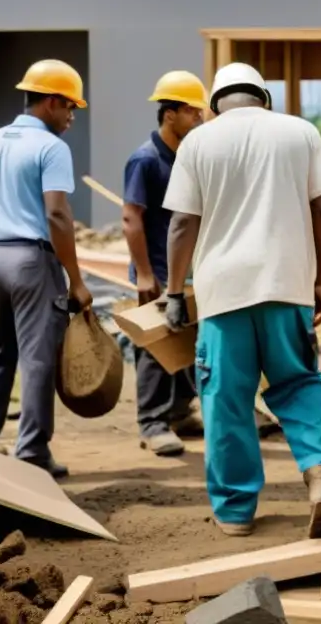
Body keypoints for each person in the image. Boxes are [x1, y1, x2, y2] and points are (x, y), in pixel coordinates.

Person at [162, 62, 321, 539]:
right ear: (263, 98)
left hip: (224, 293)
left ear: (213, 105)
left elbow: (183, 224)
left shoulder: (197, 141)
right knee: (300, 381)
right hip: (288, 285)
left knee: (226, 398)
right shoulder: (299, 132)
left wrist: (174, 290)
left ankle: (236, 510)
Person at [0, 59, 93, 480]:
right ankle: (31, 451)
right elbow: (58, 217)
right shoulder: (51, 148)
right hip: (31, 261)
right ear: (50, 102)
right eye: (69, 107)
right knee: (38, 358)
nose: (71, 117)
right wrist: (77, 280)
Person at [122, 70, 206, 457]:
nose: (200, 119)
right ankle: (152, 423)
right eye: (192, 112)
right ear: (169, 114)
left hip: (186, 270)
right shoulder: (145, 160)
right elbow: (131, 217)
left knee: (186, 343)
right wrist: (143, 273)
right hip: (154, 271)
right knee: (155, 346)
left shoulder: (187, 156)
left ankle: (178, 412)